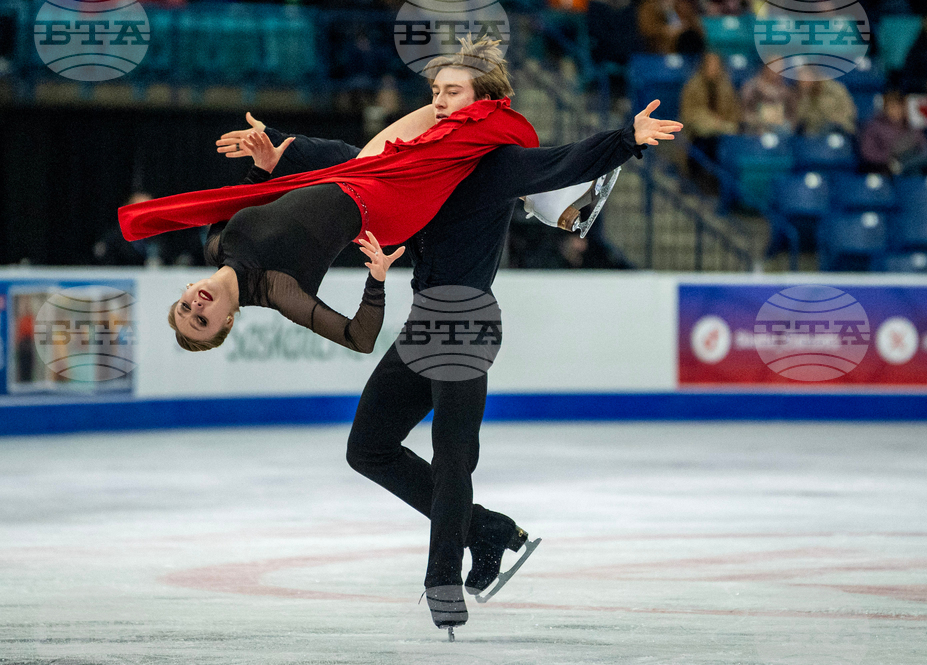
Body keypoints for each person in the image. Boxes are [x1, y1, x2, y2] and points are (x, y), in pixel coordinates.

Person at [217, 48, 682, 634]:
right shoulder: (420, 158)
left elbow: (560, 163)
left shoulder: (495, 164)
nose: (438, 100)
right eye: (436, 90)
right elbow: (355, 161)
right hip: (424, 322)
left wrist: (627, 139)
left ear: (483, 102)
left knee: (454, 453)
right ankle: (486, 531)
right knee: (368, 448)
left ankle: (442, 580)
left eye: (453, 91)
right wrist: (282, 150)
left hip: (464, 319)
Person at [119, 39, 539, 354]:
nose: (195, 307)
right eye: (201, 321)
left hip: (341, 173)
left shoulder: (215, 246)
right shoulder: (278, 290)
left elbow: (239, 201)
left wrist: (262, 166)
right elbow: (359, 339)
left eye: (184, 307)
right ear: (226, 322)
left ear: (188, 288)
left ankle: (522, 160)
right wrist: (375, 282)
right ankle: (533, 172)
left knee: (442, 121)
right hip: (378, 202)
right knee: (443, 126)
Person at [679, 52, 740, 193]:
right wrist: (708, 120)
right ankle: (695, 180)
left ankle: (723, 187)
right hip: (696, 133)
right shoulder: (692, 86)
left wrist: (724, 124)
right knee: (703, 143)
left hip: (722, 132)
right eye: (710, 65)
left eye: (716, 65)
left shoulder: (726, 87)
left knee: (727, 145)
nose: (713, 68)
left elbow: (734, 114)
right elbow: (687, 114)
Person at [860, 89, 927, 175]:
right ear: (885, 109)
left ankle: (900, 167)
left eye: (899, 107)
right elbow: (867, 153)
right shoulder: (874, 126)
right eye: (892, 107)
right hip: (886, 165)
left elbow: (924, 146)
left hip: (909, 161)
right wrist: (889, 156)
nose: (895, 111)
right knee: (913, 171)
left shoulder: (910, 126)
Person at [740, 65, 798, 135]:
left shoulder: (787, 91)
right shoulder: (750, 88)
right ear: (765, 68)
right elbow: (744, 112)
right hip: (756, 127)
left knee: (785, 127)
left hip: (780, 127)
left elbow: (792, 116)